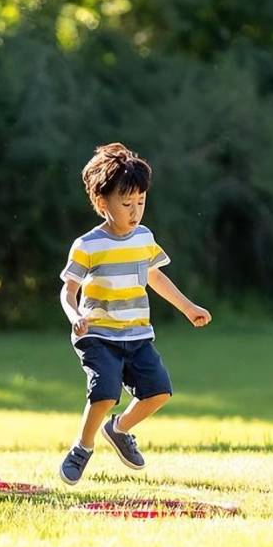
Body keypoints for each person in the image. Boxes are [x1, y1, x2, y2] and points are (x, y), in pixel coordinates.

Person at [58, 143, 212, 485]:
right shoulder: (87, 245)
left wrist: (188, 307)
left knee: (159, 391)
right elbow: (68, 290)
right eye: (126, 204)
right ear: (102, 203)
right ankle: (82, 448)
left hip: (137, 334)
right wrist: (74, 316)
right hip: (97, 334)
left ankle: (120, 429)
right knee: (105, 393)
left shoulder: (143, 238)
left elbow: (155, 276)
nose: (135, 211)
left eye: (140, 202)